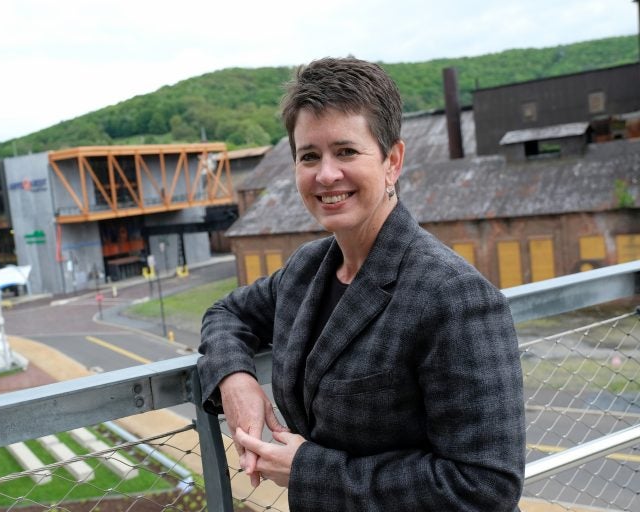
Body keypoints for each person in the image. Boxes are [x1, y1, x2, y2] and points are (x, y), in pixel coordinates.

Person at [197, 57, 525, 511]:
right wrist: (236, 379)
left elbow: (484, 486)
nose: (326, 174)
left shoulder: (454, 297)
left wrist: (308, 472)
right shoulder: (306, 270)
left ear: (392, 161)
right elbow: (226, 313)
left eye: (346, 151)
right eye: (309, 156)